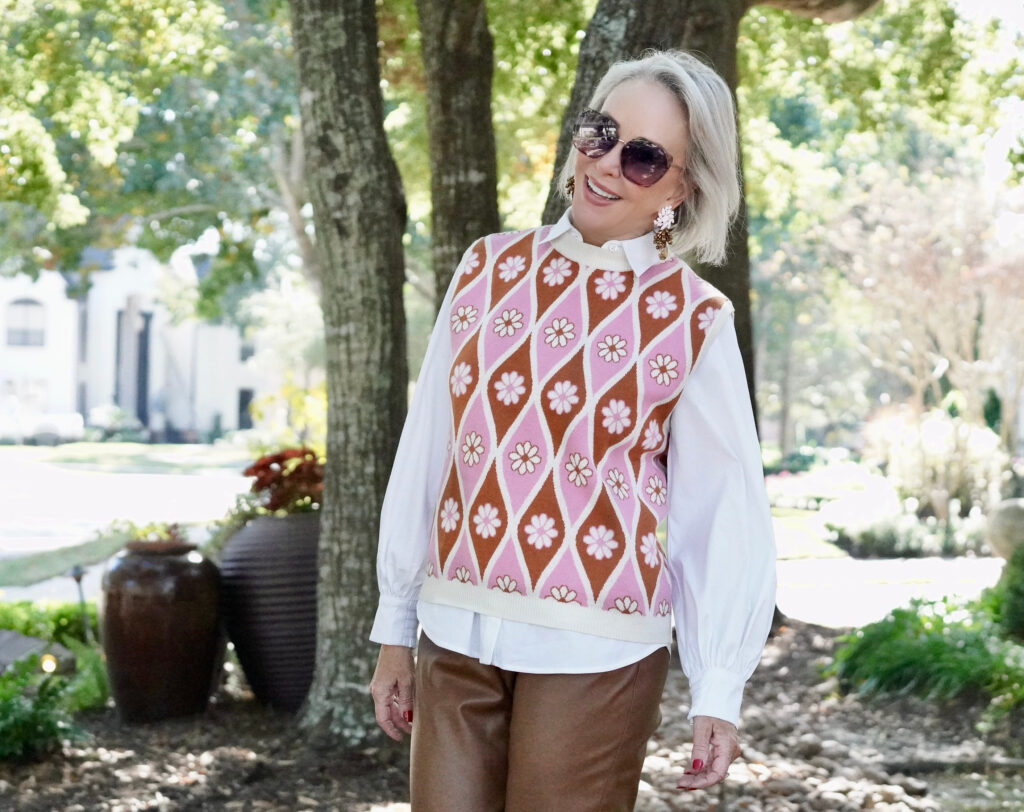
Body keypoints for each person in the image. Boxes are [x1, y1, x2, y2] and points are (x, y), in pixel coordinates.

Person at [369, 49, 776, 811]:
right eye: (600, 133)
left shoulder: (692, 318)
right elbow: (428, 449)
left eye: (645, 157)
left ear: (684, 187)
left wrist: (719, 684)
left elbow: (718, 511)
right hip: (454, 632)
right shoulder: (484, 268)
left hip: (597, 648)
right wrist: (396, 624)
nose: (608, 164)